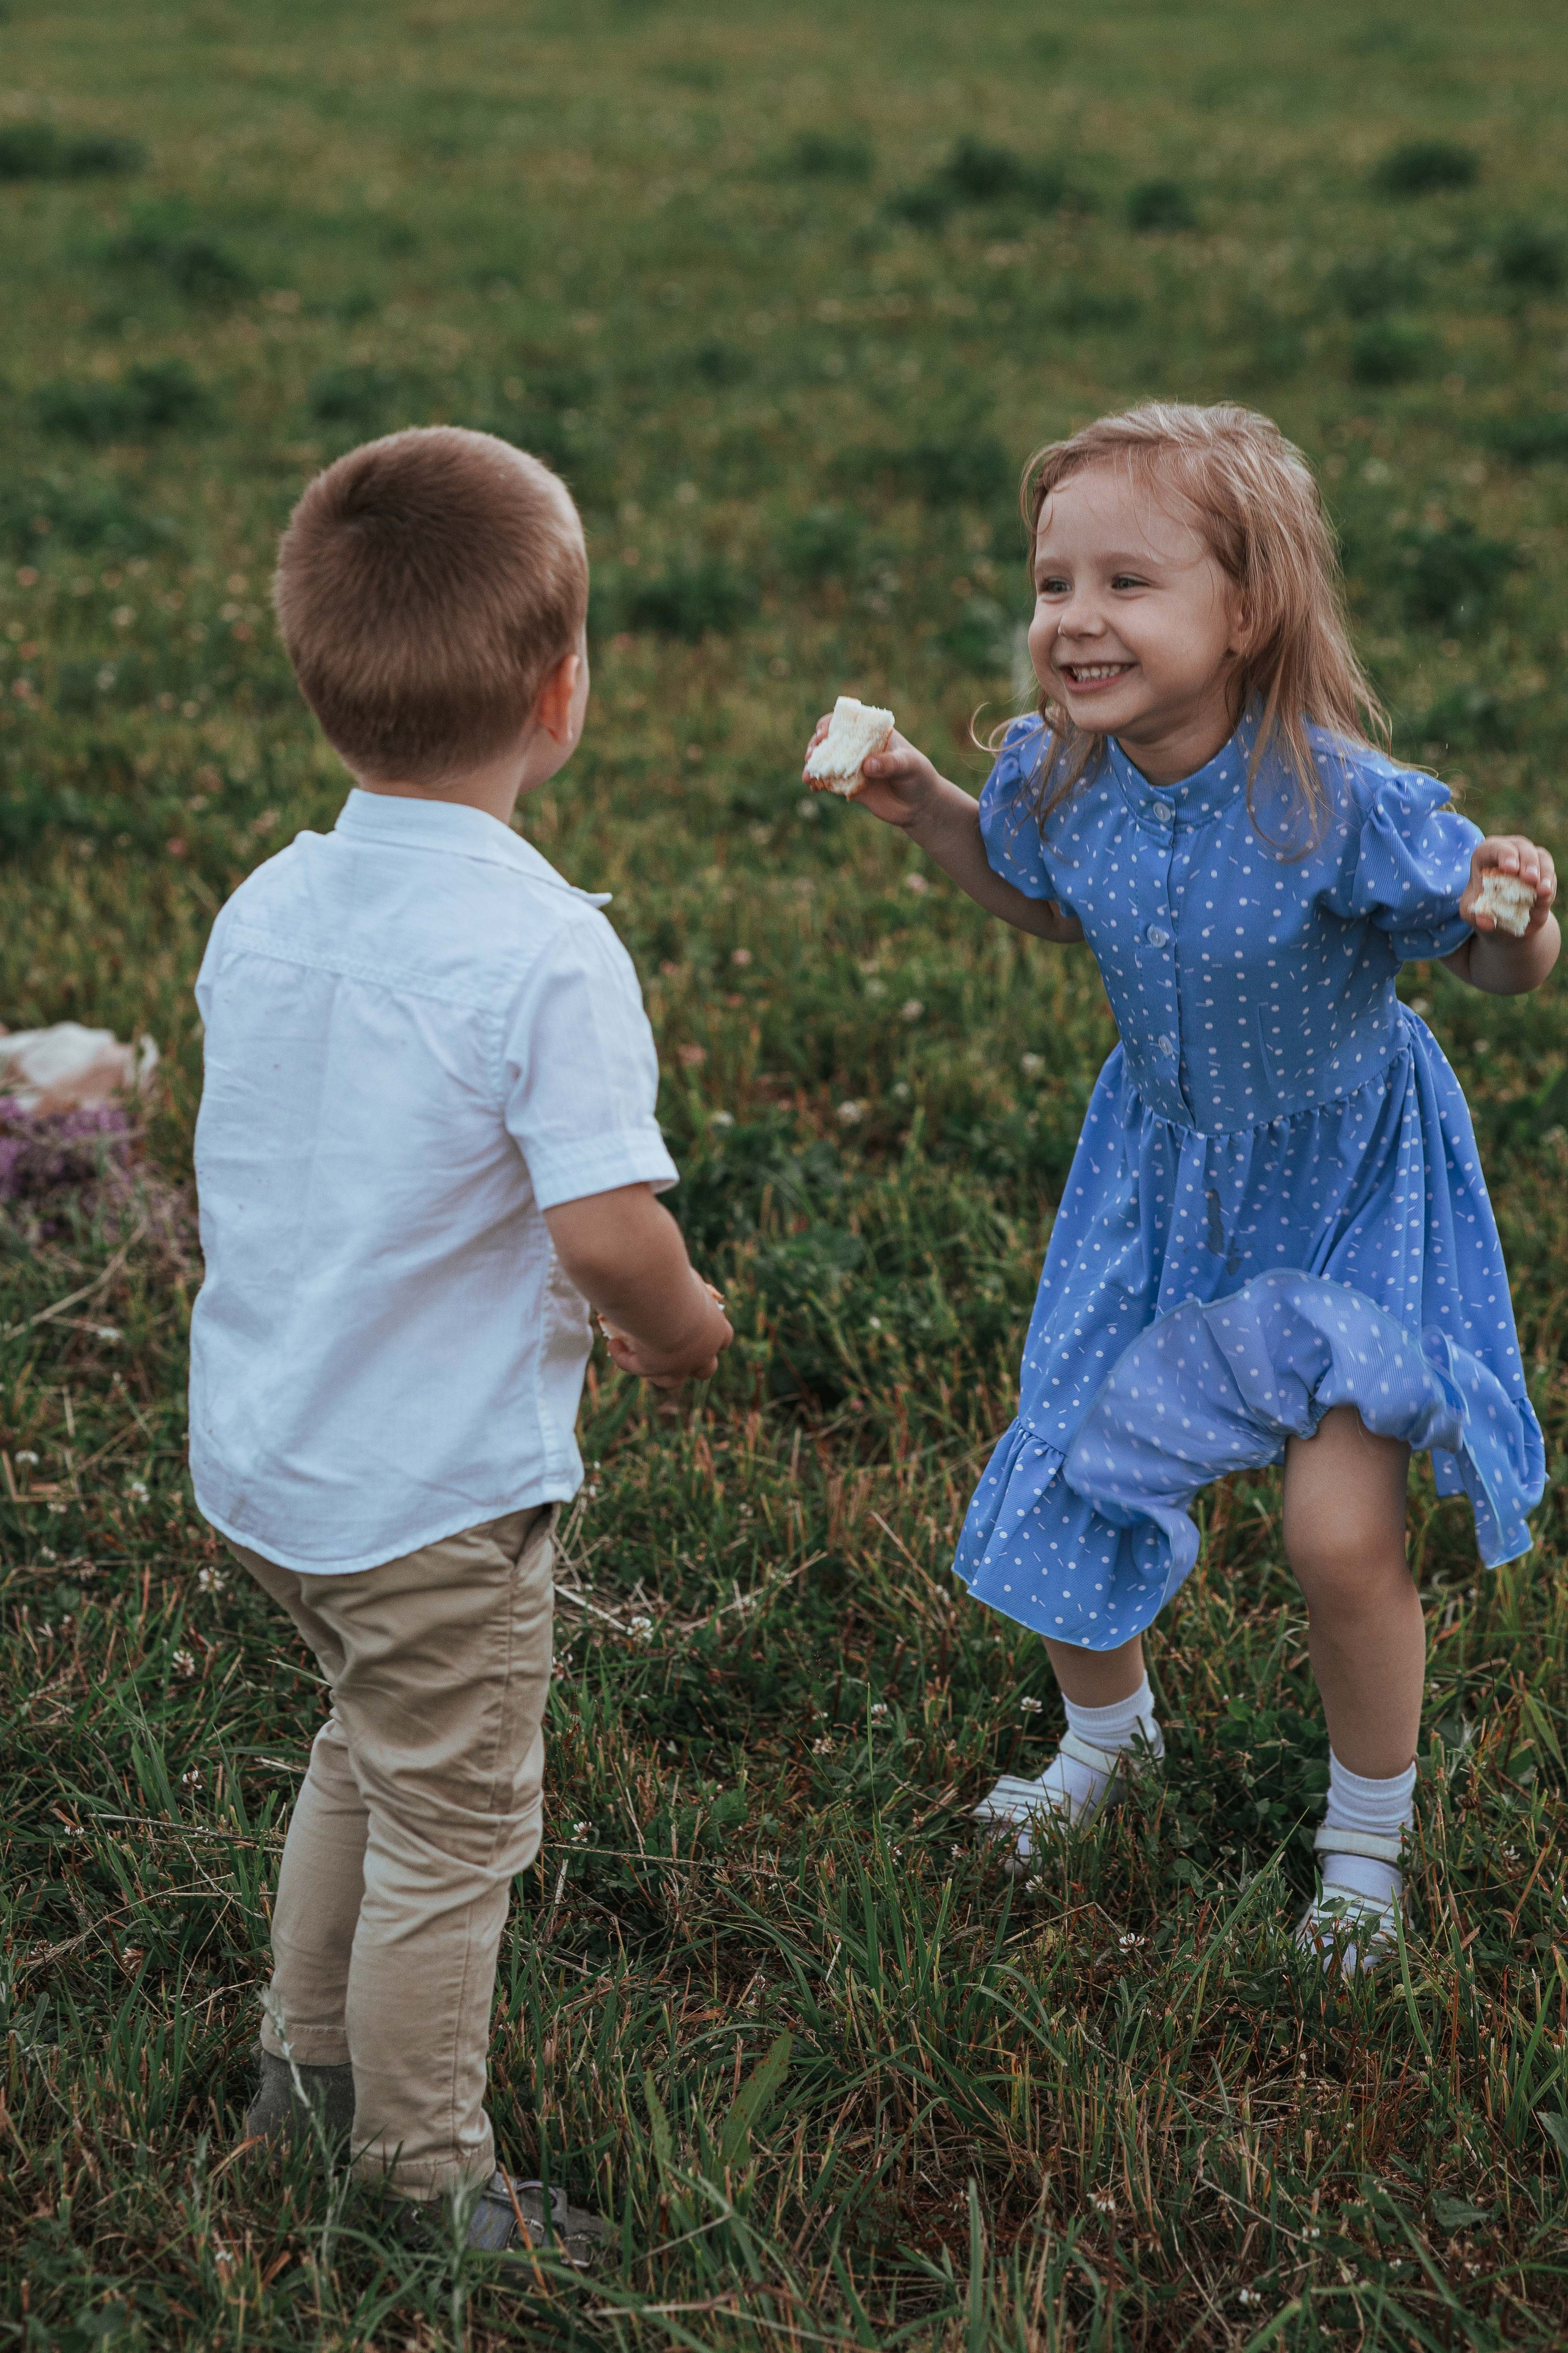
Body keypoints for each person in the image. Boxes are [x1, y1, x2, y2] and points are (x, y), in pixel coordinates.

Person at [805, 401, 1555, 1971]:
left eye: (1125, 583)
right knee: (1075, 1456)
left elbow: (1485, 965)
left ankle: (1363, 1836)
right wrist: (928, 805)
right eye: (1052, 582)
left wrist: (1519, 917)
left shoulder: (1334, 801)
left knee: (1336, 1535)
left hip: (1346, 1189)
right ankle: (1109, 1735)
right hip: (1156, 1179)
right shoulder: (1061, 776)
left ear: (1247, 610)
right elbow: (1050, 903)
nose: (1073, 619)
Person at [189, 427, 732, 2257]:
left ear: (320, 679)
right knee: (455, 1833)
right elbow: (604, 1228)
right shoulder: (544, 948)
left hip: (277, 1460)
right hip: (432, 1495)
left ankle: (301, 2075)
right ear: (561, 690)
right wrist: (681, 1327)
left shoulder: (270, 900)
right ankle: (421, 2182)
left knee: (365, 1750)